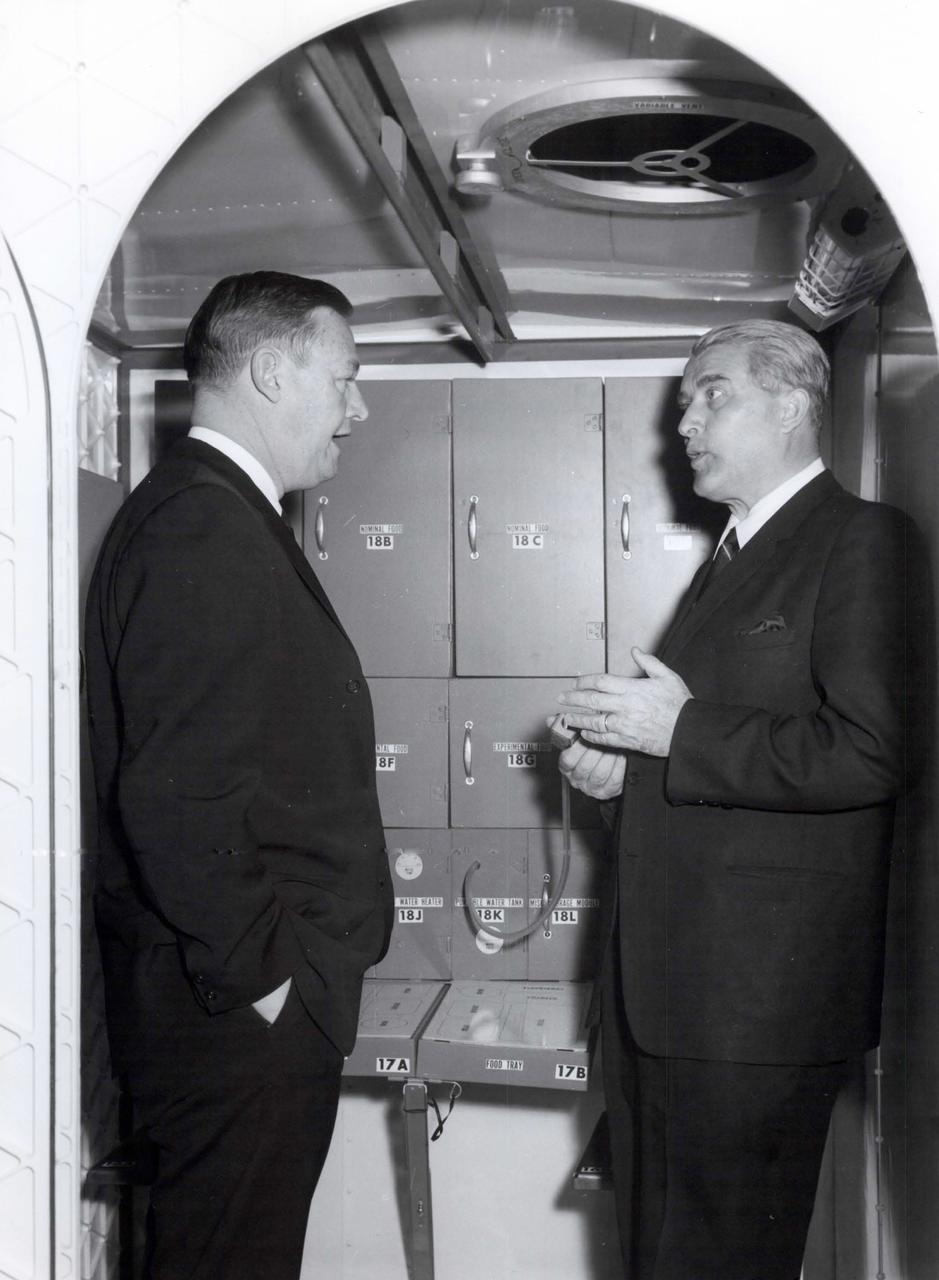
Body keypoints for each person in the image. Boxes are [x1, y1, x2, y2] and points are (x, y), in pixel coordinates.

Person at [554, 319, 911, 1279]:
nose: (686, 423)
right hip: (671, 1001)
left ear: (794, 403)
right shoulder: (734, 555)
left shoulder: (861, 540)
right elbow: (723, 761)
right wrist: (626, 770)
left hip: (754, 1013)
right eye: (684, 402)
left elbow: (874, 751)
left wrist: (678, 735)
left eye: (713, 395)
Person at [84, 271, 393, 1279]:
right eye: (344, 378)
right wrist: (272, 986)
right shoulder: (204, 528)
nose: (359, 407)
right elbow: (176, 797)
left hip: (235, 1019)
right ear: (270, 371)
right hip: (235, 1024)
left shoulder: (215, 512)